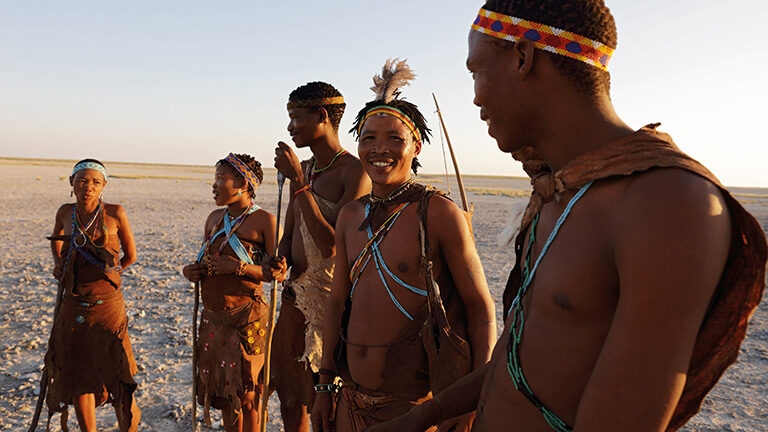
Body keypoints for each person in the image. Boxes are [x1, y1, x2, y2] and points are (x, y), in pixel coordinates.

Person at [365, 2, 767, 432]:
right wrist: (426, 414)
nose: (476, 95)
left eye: (476, 71)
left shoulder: (666, 203)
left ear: (524, 57)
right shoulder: (558, 191)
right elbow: (523, 355)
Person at [311, 59, 497, 432]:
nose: (380, 149)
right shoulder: (350, 215)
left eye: (395, 138)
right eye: (369, 138)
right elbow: (336, 303)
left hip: (415, 409)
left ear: (417, 146)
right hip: (349, 397)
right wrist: (324, 385)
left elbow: (480, 309)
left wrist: (474, 400)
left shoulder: (439, 213)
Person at [269, 81, 371, 432]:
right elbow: (290, 232)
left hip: (328, 309)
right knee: (290, 399)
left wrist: (298, 181)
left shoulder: (354, 172)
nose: (290, 127)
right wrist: (279, 260)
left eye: (296, 117)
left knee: (324, 408)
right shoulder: (309, 169)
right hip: (292, 303)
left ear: (322, 116)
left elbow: (331, 246)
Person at [182, 153, 285, 432]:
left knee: (248, 395)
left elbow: (277, 273)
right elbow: (205, 262)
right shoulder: (214, 219)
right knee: (226, 396)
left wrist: (239, 268)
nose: (214, 186)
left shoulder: (264, 221)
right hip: (214, 318)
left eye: (220, 179)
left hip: (247, 319)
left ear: (242, 182)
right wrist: (192, 271)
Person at [45, 158, 140, 431]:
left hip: (108, 307)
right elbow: (56, 239)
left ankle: (129, 424)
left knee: (119, 373)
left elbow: (131, 256)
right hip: (73, 305)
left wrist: (115, 272)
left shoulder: (115, 213)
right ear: (71, 183)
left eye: (95, 182)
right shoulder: (65, 211)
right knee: (79, 374)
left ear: (104, 186)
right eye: (82, 181)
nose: (88, 187)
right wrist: (59, 265)